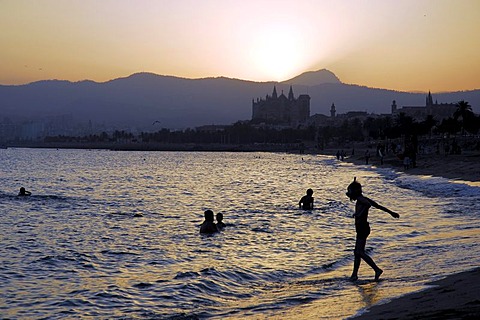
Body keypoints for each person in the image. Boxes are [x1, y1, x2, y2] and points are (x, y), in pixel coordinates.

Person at [346, 178, 399, 281]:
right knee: (357, 252)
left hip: (362, 228)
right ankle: (354, 275)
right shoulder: (363, 198)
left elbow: (368, 205)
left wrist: (358, 214)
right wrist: (391, 212)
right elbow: (377, 206)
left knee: (360, 252)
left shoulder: (362, 199)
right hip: (362, 228)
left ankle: (377, 269)